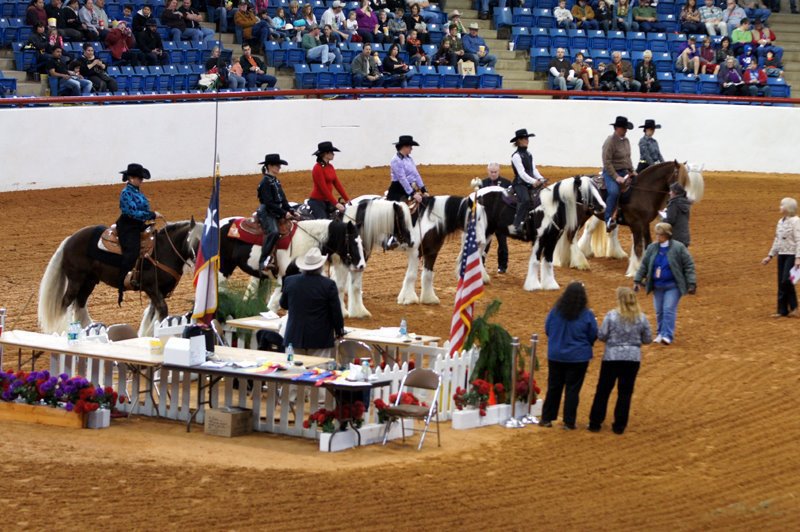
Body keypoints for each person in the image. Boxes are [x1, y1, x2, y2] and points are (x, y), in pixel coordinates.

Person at [588, 287, 652, 435]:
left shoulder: (611, 316)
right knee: (625, 393)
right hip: (632, 359)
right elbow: (648, 339)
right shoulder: (641, 318)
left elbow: (602, 335)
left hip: (612, 357)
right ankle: (619, 426)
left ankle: (595, 423)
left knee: (603, 390)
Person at [541, 282, 598, 430]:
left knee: (554, 387)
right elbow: (593, 334)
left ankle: (546, 418)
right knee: (573, 390)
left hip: (556, 356)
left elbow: (547, 329)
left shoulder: (555, 311)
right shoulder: (587, 314)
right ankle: (569, 422)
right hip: (578, 358)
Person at [634, 223, 697, 345]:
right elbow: (644, 265)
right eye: (657, 234)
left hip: (673, 286)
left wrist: (691, 282)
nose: (658, 237)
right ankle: (660, 333)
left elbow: (689, 265)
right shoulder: (652, 248)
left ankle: (667, 335)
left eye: (661, 234)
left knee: (668, 309)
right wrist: (637, 280)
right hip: (657, 286)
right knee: (659, 311)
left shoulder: (679, 248)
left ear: (667, 235)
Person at [280, 248, 345, 358]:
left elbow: (284, 304)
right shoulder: (329, 285)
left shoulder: (290, 281)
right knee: (319, 372)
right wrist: (340, 331)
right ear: (321, 267)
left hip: (294, 337)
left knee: (293, 372)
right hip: (320, 339)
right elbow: (336, 313)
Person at [116, 163, 158, 304]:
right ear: (131, 178)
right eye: (139, 178)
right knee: (132, 251)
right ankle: (122, 281)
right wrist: (151, 214)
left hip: (138, 224)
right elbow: (132, 212)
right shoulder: (126, 193)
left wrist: (149, 216)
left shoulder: (136, 191)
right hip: (128, 226)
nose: (142, 180)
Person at [256, 153, 297, 271]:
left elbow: (283, 199)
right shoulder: (265, 182)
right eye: (277, 165)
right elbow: (268, 203)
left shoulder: (275, 181)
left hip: (275, 210)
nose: (279, 167)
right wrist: (284, 213)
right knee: (273, 232)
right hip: (267, 212)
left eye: (279, 165)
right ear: (269, 166)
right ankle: (263, 261)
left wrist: (291, 210)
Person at [761, 198, 800, 318]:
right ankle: (782, 309)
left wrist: (798, 257)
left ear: (787, 208)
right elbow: (777, 239)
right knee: (780, 282)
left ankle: (794, 307)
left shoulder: (796, 221)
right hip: (782, 254)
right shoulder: (780, 222)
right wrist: (770, 255)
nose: (780, 207)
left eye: (782, 205)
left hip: (792, 254)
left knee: (786, 280)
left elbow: (799, 240)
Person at [509, 128, 547, 236]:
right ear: (519, 141)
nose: (527, 140)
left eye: (527, 138)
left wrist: (541, 178)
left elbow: (534, 170)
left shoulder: (529, 154)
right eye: (525, 138)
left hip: (530, 182)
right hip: (520, 183)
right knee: (525, 200)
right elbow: (521, 173)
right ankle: (516, 225)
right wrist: (534, 181)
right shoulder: (516, 156)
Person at [602, 116, 636, 232]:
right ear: (617, 128)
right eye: (624, 128)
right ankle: (608, 219)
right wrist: (616, 177)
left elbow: (628, 158)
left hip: (625, 171)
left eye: (626, 128)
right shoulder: (610, 141)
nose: (626, 130)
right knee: (614, 191)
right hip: (611, 172)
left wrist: (632, 171)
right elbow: (607, 162)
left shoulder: (626, 141)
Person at [481, 163, 512, 274]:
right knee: (484, 243)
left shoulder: (507, 183)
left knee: (502, 242)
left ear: (499, 171)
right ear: (487, 171)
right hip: (487, 219)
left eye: (495, 172)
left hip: (500, 219)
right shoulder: (482, 183)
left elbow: (511, 201)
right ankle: (481, 263)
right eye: (491, 172)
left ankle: (502, 266)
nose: (493, 174)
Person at [309, 141, 350, 219]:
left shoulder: (330, 166)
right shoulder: (317, 168)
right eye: (331, 152)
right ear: (325, 154)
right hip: (317, 202)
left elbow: (337, 184)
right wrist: (336, 203)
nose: (333, 154)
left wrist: (347, 199)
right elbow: (323, 189)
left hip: (328, 201)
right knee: (324, 222)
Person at [660, 182, 692, 247]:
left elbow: (670, 220)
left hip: (675, 238)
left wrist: (663, 218)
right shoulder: (685, 203)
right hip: (685, 237)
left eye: (671, 191)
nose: (669, 193)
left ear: (675, 192)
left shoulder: (673, 203)